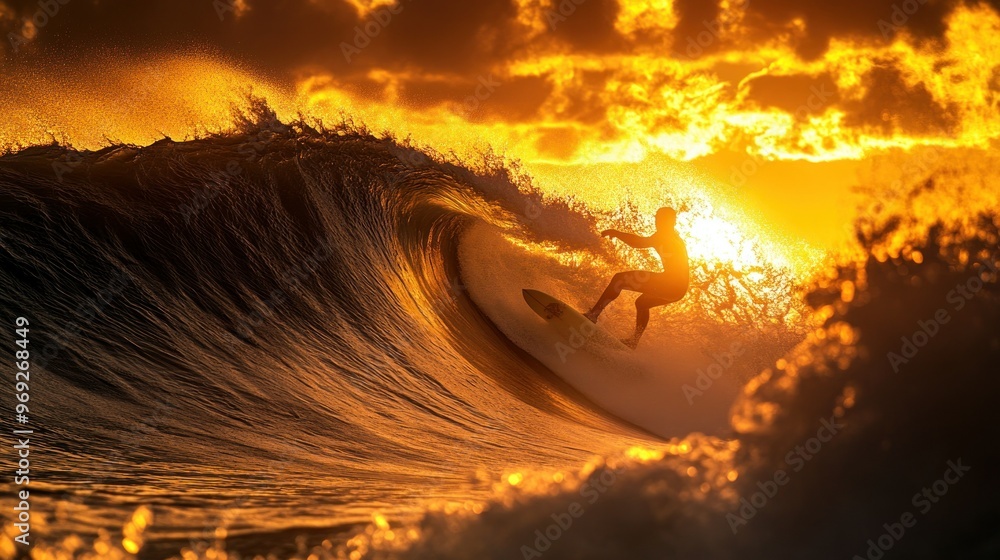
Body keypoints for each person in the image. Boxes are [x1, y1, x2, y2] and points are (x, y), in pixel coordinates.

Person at [583, 207, 689, 348]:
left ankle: (593, 314)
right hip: (679, 290)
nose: (658, 221)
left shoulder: (665, 235)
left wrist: (616, 233)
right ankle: (633, 342)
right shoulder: (673, 236)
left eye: (662, 219)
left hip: (671, 284)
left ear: (672, 222)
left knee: (619, 279)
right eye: (657, 218)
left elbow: (638, 243)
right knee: (642, 303)